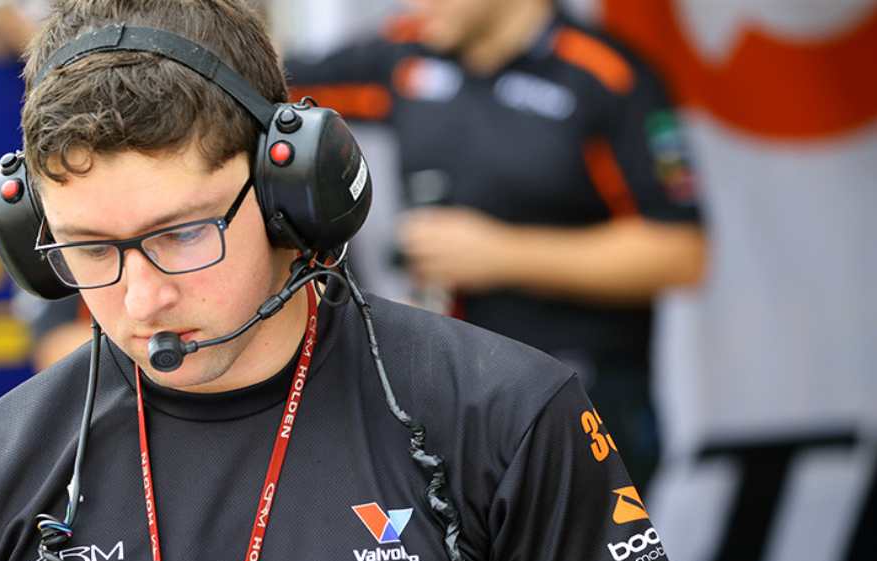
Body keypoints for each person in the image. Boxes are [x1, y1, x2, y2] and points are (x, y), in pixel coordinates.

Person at [0, 1, 686, 561]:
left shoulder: (507, 414)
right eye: (91, 249)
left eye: (184, 233)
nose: (142, 298)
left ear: (293, 197)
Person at [285, 0, 706, 496]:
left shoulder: (606, 76)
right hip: (447, 400)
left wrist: (502, 255)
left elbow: (681, 251)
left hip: (582, 403)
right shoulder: (408, 52)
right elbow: (258, 90)